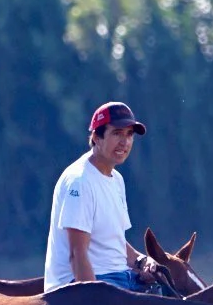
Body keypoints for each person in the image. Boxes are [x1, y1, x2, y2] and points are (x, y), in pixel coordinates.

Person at [42, 101, 161, 294]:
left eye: (129, 134)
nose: (125, 142)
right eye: (117, 133)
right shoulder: (79, 182)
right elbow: (77, 254)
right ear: (96, 137)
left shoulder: (117, 180)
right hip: (86, 284)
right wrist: (95, 303)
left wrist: (142, 261)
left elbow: (113, 241)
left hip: (121, 278)